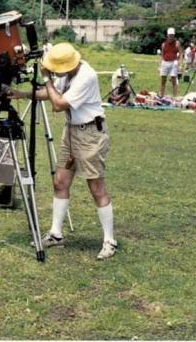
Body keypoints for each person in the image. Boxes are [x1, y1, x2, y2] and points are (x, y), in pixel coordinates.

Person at [7, 43, 116, 260]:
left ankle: (109, 240)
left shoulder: (86, 76)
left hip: (90, 134)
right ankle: (56, 234)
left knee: (96, 187)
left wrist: (46, 77)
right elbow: (51, 93)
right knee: (60, 182)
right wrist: (20, 94)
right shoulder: (68, 74)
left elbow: (58, 104)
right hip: (72, 131)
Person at [159, 27, 183, 98]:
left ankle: (175, 96)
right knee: (163, 79)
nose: (171, 37)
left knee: (173, 79)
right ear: (167, 35)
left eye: (172, 35)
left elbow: (181, 53)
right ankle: (161, 95)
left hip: (173, 62)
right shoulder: (163, 44)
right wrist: (160, 65)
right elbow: (162, 54)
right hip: (165, 62)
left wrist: (180, 63)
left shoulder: (177, 43)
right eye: (170, 35)